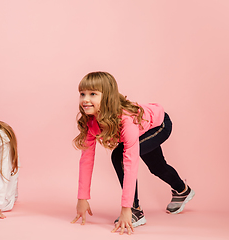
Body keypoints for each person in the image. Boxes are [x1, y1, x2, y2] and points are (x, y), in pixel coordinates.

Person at [70, 72, 194, 235]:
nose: (85, 99)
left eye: (93, 94)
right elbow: (86, 159)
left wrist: (126, 208)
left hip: (159, 125)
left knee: (120, 157)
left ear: (107, 97)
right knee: (157, 167)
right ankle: (182, 190)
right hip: (141, 127)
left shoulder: (125, 121)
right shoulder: (91, 121)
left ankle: (135, 211)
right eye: (82, 94)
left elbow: (130, 162)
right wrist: (82, 198)